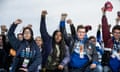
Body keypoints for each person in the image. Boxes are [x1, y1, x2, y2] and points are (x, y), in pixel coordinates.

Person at [101, 7, 120, 72]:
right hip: (109, 66)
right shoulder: (109, 41)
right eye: (115, 33)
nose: (117, 34)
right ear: (112, 33)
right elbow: (105, 29)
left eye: (119, 33)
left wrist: (117, 22)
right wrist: (104, 14)